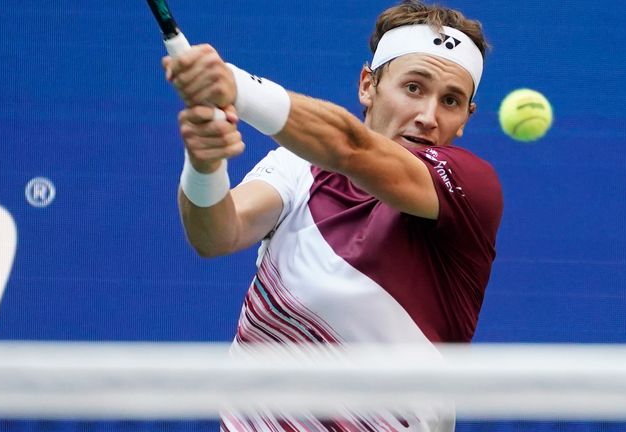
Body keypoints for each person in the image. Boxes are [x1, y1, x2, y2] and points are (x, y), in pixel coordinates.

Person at [163, 1, 502, 430]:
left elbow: (350, 147)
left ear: (466, 118)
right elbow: (216, 234)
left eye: (450, 101)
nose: (428, 116)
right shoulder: (295, 167)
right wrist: (204, 165)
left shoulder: (473, 188)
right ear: (368, 85)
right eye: (414, 87)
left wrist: (233, 85)